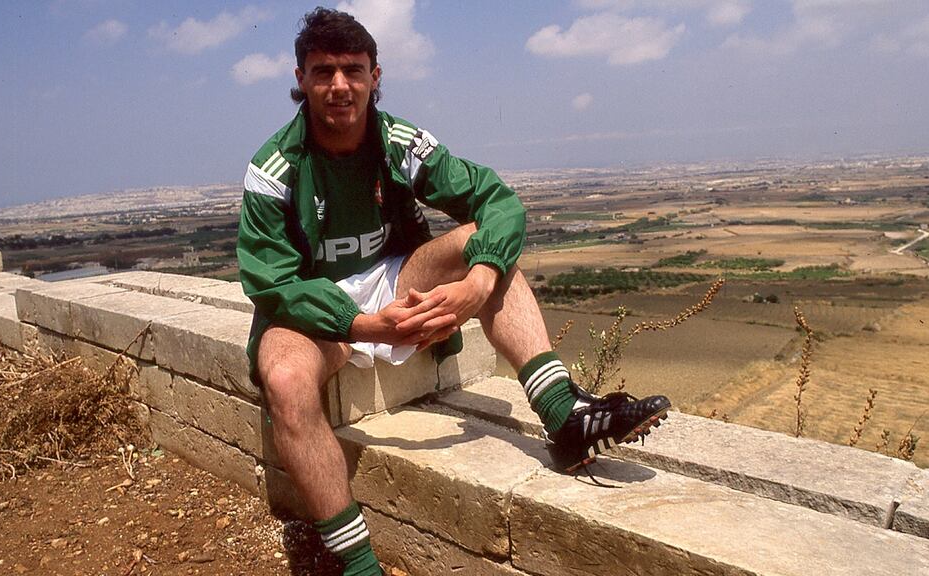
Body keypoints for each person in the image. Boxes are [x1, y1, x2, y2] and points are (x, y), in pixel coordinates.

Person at [237, 8, 671, 575]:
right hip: (315, 309)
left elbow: (497, 201)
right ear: (301, 78)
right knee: (286, 380)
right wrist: (362, 326)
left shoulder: (399, 143)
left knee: (478, 242)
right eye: (323, 71)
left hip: (397, 281)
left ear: (374, 76)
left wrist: (479, 281)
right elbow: (272, 282)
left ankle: (563, 416)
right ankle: (358, 564)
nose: (340, 85)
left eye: (353, 70)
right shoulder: (274, 167)